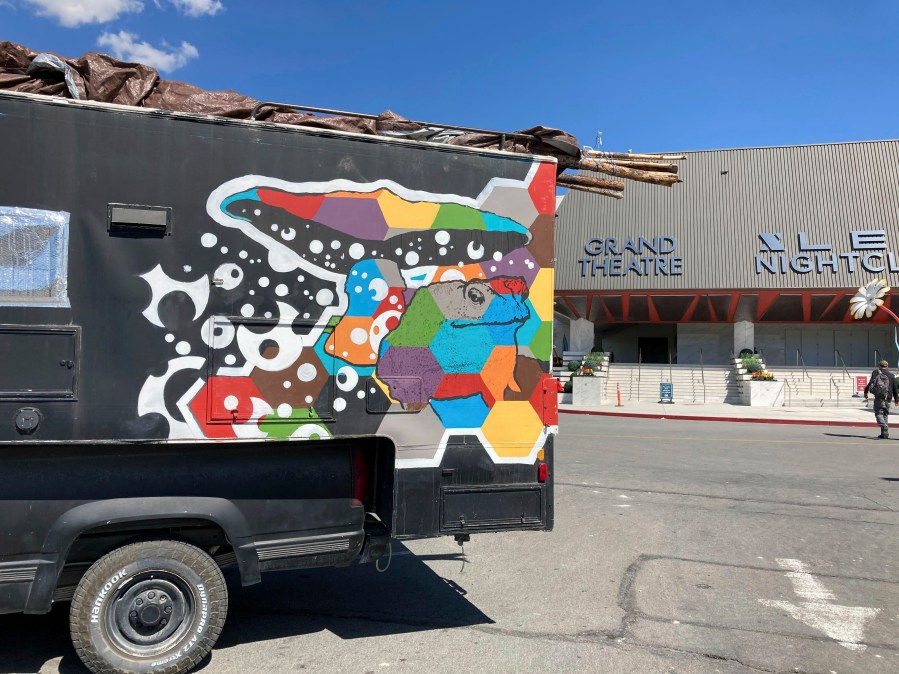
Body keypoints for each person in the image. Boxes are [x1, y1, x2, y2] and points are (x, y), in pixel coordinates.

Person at [863, 360, 899, 438]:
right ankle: (884, 434)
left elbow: (870, 383)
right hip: (888, 398)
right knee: (885, 415)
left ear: (879, 366)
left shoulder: (875, 373)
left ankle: (884, 426)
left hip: (879, 397)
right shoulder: (891, 375)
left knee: (878, 413)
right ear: (887, 366)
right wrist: (896, 400)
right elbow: (895, 388)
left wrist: (865, 392)